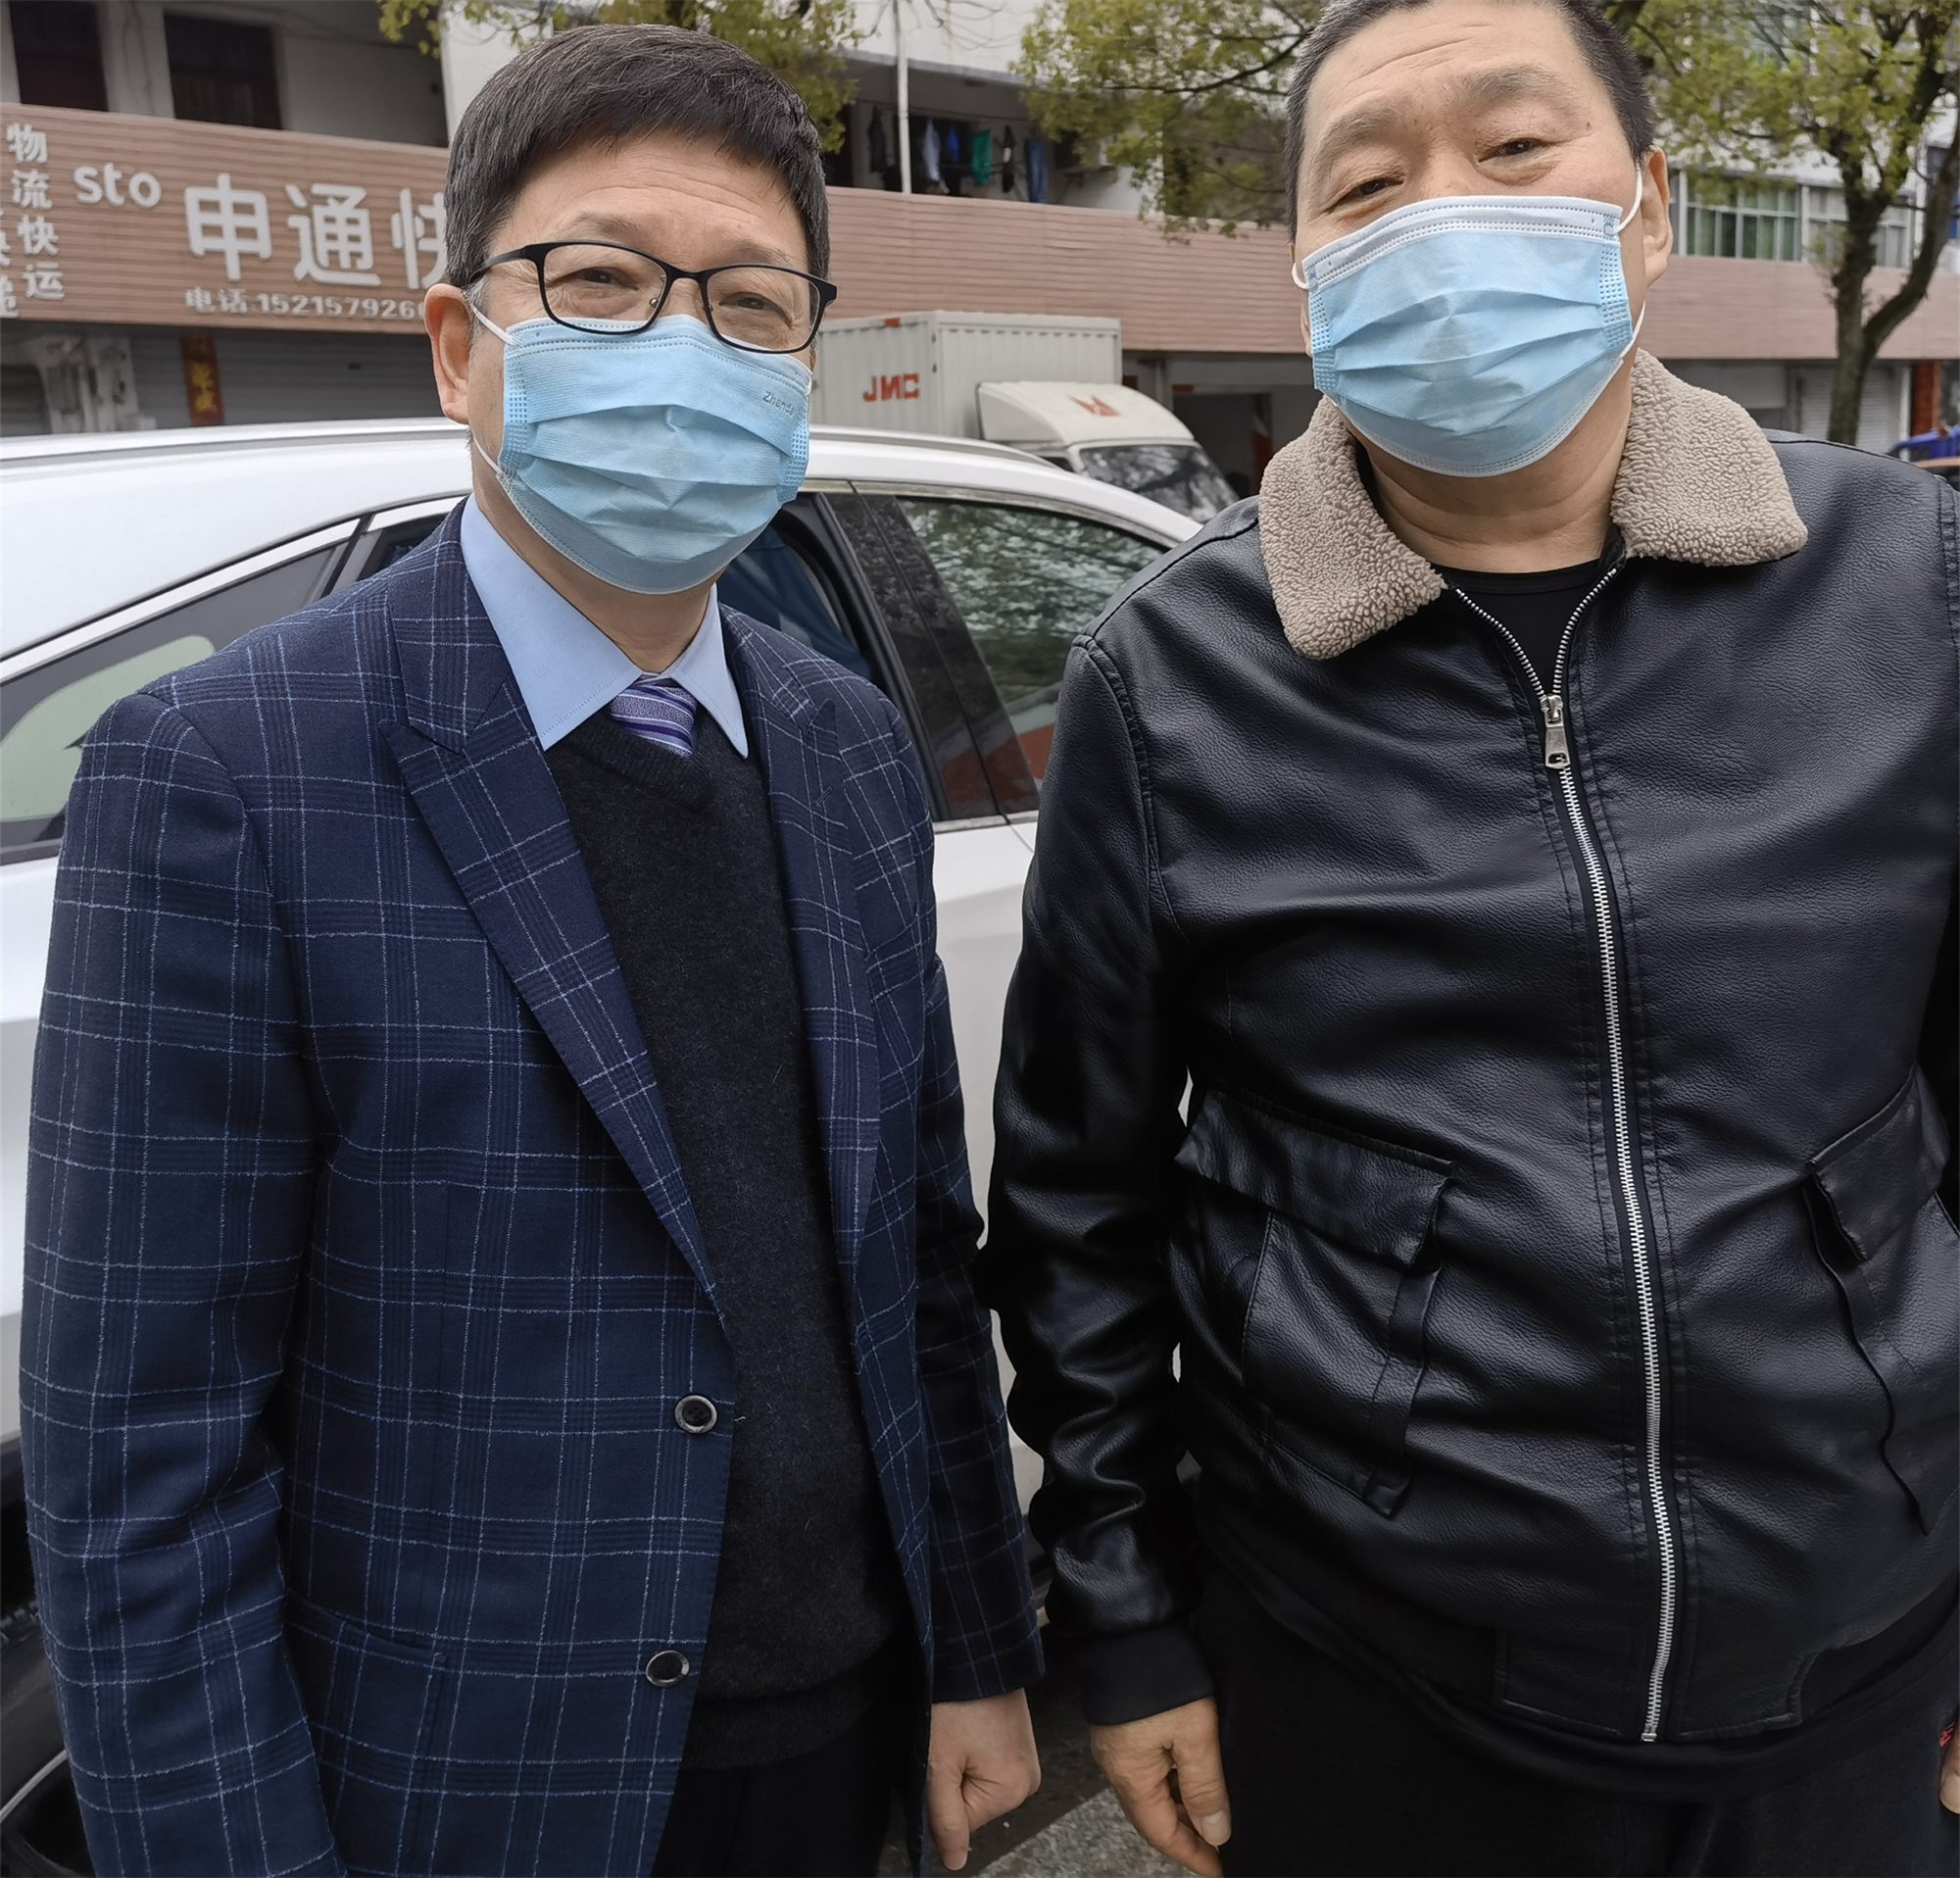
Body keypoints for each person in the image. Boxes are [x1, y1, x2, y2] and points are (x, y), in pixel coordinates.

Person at [22, 25, 1041, 1877]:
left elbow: (911, 1251)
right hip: (459, 1791)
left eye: (750, 304)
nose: (681, 346)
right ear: (457, 343)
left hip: (844, 1737)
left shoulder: (842, 741)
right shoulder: (229, 769)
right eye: (601, 282)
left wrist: (977, 1647)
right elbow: (144, 1447)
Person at [981, 0, 1958, 1873]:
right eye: (1365, 183)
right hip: (1369, 1666)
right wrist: (1125, 1615)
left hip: (1859, 1647)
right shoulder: (1175, 678)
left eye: (1514, 151)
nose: (1441, 213)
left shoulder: (1909, 587)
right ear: (1302, 267)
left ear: (1648, 205)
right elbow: (1078, 1204)